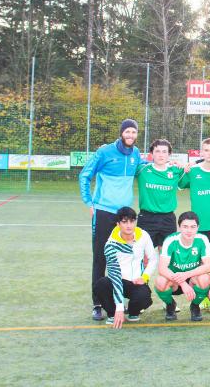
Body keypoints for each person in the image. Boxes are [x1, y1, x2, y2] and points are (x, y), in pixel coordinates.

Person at [80, 118, 144, 321]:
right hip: (104, 212)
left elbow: (148, 168)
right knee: (101, 257)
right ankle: (97, 303)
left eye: (133, 132)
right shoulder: (105, 152)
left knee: (126, 257)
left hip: (125, 216)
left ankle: (121, 299)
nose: (130, 136)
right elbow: (84, 175)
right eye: (127, 132)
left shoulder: (135, 154)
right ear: (121, 133)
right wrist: (89, 202)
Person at [93, 206, 157, 328]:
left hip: (136, 282)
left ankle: (133, 312)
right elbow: (115, 276)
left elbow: (153, 259)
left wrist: (145, 277)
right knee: (100, 285)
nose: (129, 225)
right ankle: (112, 314)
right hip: (117, 280)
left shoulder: (143, 235)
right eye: (124, 222)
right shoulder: (111, 244)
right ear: (118, 224)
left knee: (144, 297)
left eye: (132, 221)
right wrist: (119, 308)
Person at [155, 211, 210, 322]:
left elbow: (209, 266)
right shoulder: (170, 240)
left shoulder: (202, 239)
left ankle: (195, 306)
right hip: (174, 280)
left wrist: (187, 275)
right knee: (160, 281)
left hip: (192, 278)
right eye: (185, 226)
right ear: (179, 227)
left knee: (204, 278)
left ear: (198, 227)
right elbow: (162, 268)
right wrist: (182, 283)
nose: (189, 230)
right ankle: (170, 305)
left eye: (193, 227)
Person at [178, 138, 210, 254]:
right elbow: (179, 185)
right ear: (201, 153)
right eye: (206, 150)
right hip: (200, 223)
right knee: (202, 258)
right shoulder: (192, 171)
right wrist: (184, 169)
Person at [136, 139, 183, 249]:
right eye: (157, 151)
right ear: (151, 154)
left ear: (169, 154)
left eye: (164, 151)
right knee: (144, 255)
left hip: (168, 219)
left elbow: (193, 169)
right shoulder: (142, 169)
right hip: (146, 217)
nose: (160, 155)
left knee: (166, 255)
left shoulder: (176, 171)